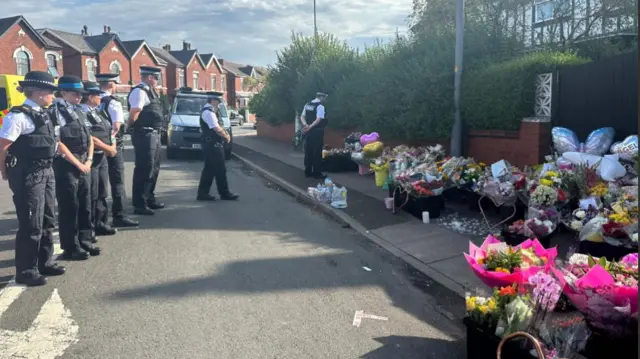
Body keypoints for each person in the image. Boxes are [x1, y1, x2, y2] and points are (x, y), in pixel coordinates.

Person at [0, 71, 65, 286]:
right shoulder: (18, 116)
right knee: (31, 223)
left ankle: (45, 262)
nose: (53, 96)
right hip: (29, 174)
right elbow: (3, 147)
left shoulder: (43, 113)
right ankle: (26, 270)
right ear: (37, 92)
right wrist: (4, 170)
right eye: (50, 91)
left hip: (46, 172)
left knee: (47, 219)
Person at [51, 75, 100, 259]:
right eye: (75, 93)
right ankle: (71, 247)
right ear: (63, 92)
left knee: (85, 205)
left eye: (81, 94)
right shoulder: (55, 111)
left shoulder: (79, 111)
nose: (80, 97)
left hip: (83, 162)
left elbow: (88, 138)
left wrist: (88, 160)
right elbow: (58, 142)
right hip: (67, 164)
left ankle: (85, 241)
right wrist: (78, 163)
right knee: (70, 206)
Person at [95, 73, 138, 228]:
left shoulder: (92, 99)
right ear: (112, 84)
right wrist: (112, 146)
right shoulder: (113, 102)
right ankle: (119, 214)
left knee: (99, 184)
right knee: (117, 181)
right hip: (112, 146)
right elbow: (115, 127)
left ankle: (99, 218)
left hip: (96, 147)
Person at [79, 81, 117, 237]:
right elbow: (90, 138)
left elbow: (108, 130)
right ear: (90, 96)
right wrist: (109, 148)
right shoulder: (82, 113)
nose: (100, 98)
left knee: (102, 191)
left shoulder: (96, 111)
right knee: (92, 194)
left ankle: (101, 223)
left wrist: (112, 144)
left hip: (102, 157)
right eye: (98, 95)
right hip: (92, 158)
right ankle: (90, 227)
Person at [127, 66, 165, 215]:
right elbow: (135, 112)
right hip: (144, 134)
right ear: (149, 77)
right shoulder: (140, 91)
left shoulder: (150, 91)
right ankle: (140, 203)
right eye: (156, 78)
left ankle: (149, 198)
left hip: (154, 134)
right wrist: (130, 126)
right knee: (144, 168)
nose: (157, 81)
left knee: (154, 168)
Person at [196, 92, 238, 201]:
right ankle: (224, 193)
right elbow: (216, 128)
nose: (220, 103)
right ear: (213, 100)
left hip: (211, 144)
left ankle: (203, 193)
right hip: (213, 144)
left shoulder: (211, 111)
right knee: (220, 169)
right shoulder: (209, 113)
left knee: (209, 170)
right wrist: (226, 136)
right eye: (219, 101)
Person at [300, 92, 328, 179]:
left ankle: (308, 172)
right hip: (317, 132)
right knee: (317, 152)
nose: (326, 100)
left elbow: (302, 116)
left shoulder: (307, 104)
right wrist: (310, 127)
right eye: (325, 98)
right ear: (321, 97)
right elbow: (318, 120)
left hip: (308, 132)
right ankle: (317, 173)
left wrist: (305, 125)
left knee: (308, 151)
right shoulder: (320, 106)